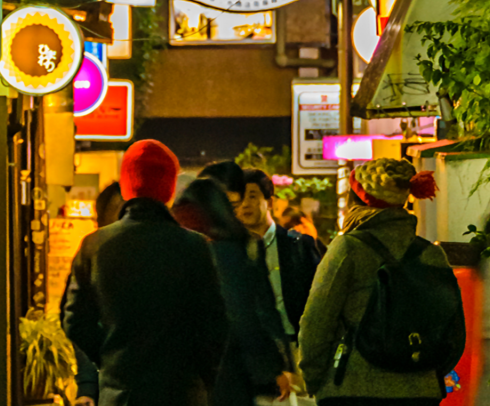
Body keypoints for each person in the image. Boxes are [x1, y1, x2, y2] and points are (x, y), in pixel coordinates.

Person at [63, 140, 229, 406]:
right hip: (181, 392)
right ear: (169, 189)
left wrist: (110, 358)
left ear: (127, 186)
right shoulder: (194, 247)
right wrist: (203, 377)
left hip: (120, 393)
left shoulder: (94, 246)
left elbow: (74, 320)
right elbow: (214, 324)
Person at [298, 158, 460, 406]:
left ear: (360, 200)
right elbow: (454, 330)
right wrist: (426, 370)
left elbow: (317, 321)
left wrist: (316, 379)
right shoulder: (431, 254)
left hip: (353, 388)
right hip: (420, 391)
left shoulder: (347, 248)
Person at [172, 178, 292, 406]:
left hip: (179, 376)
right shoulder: (228, 251)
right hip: (225, 374)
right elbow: (242, 315)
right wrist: (270, 369)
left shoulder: (174, 248)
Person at [240, 169, 321, 343]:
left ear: (269, 202)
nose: (245, 204)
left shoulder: (298, 245)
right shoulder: (230, 249)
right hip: (251, 348)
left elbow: (320, 297)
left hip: (295, 343)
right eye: (239, 199)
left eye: (252, 196)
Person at [71, 183, 123, 406]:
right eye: (119, 211)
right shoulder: (91, 255)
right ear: (101, 220)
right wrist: (88, 387)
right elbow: (80, 322)